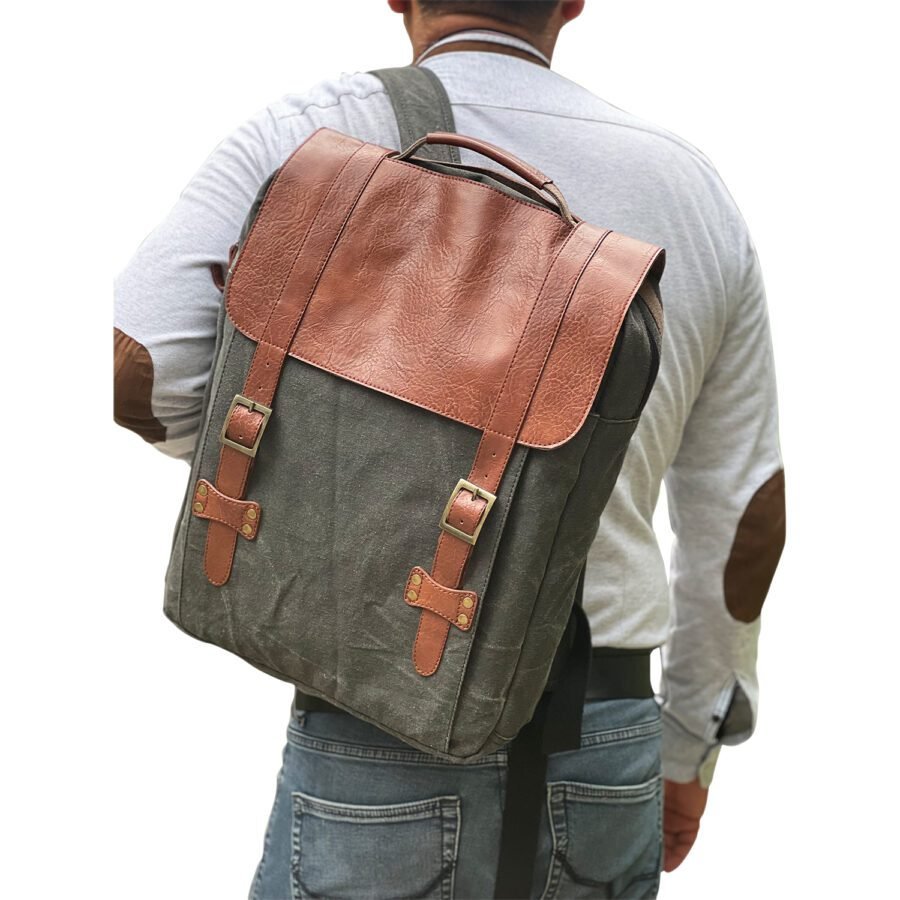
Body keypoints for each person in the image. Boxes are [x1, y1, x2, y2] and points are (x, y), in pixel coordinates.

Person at [113, 1, 786, 896]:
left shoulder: (314, 132)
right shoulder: (692, 190)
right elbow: (745, 516)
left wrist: (303, 462)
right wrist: (691, 745)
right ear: (573, 1)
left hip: (380, 711)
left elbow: (147, 370)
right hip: (607, 738)